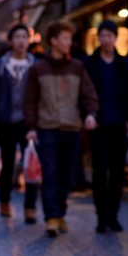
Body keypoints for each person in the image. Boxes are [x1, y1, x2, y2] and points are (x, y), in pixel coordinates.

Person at [25, 20, 99, 237]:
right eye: (65, 38)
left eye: (70, 38)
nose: (69, 42)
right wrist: (30, 126)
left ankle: (61, 214)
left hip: (72, 127)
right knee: (50, 173)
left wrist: (91, 114)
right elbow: (30, 100)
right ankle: (51, 217)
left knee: (66, 175)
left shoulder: (77, 67)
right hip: (46, 127)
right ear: (54, 41)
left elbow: (89, 94)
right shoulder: (38, 68)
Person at [83, 20, 128, 234]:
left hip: (119, 124)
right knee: (99, 171)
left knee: (117, 172)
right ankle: (101, 217)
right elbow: (84, 93)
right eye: (103, 35)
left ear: (115, 38)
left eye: (110, 36)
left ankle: (114, 215)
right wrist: (88, 114)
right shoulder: (89, 63)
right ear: (98, 37)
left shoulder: (125, 63)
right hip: (98, 124)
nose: (106, 39)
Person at [0, 24, 39, 221]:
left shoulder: (36, 64)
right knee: (7, 164)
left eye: (25, 37)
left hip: (28, 121)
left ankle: (30, 206)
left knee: (30, 163)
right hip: (5, 120)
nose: (21, 41)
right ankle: (4, 201)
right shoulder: (0, 65)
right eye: (17, 37)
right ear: (11, 40)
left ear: (29, 40)